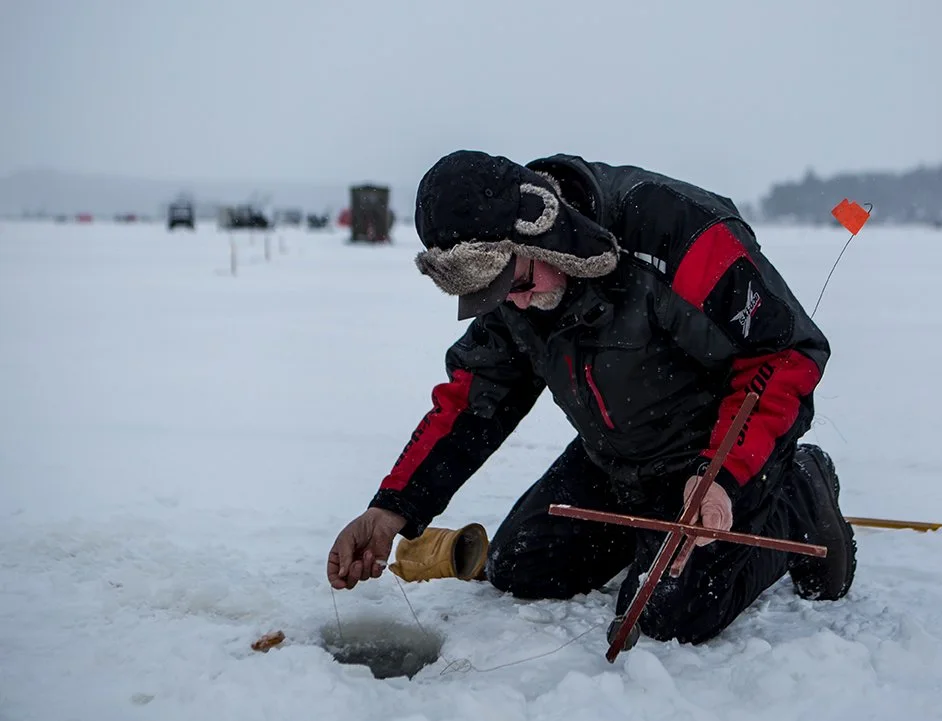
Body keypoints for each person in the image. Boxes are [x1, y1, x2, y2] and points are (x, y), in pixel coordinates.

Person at [327, 150, 857, 646]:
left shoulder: (677, 233)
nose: (517, 303)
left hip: (716, 451)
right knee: (521, 567)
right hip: (617, 457)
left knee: (668, 616)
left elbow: (787, 352)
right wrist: (392, 507)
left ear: (545, 232)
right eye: (496, 296)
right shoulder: (515, 283)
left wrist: (722, 477)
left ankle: (799, 492)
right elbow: (474, 400)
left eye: (519, 283)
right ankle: (652, 538)